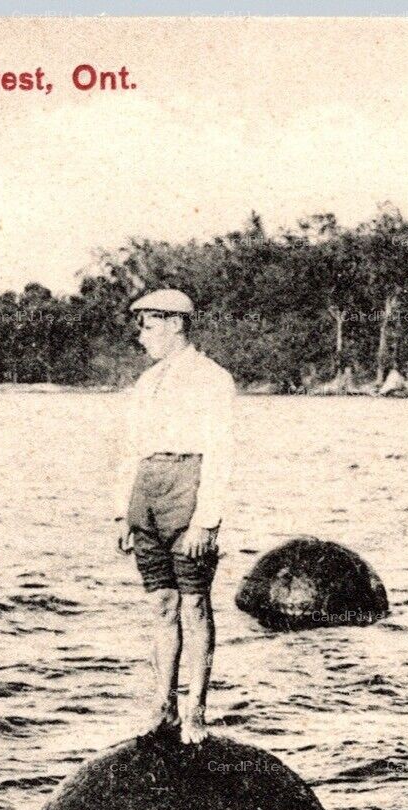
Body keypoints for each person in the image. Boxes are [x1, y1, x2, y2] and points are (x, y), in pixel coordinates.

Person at [112, 289, 236, 744]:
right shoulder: (147, 383)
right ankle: (163, 706)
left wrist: (207, 520)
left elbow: (221, 452)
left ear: (176, 324)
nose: (141, 336)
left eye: (148, 326)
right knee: (161, 604)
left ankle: (195, 712)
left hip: (189, 487)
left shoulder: (212, 379)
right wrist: (122, 513)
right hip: (146, 492)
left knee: (195, 604)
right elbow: (130, 449)